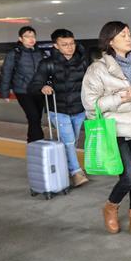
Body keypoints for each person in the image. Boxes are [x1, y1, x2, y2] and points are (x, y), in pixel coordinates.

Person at [81, 21, 131, 236]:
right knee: (130, 177)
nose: (128, 37)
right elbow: (91, 105)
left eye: (129, 33)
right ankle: (110, 206)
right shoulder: (97, 69)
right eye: (122, 34)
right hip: (116, 129)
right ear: (110, 41)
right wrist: (120, 97)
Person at [32, 28, 89, 187]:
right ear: (56, 46)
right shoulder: (47, 64)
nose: (70, 47)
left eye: (72, 43)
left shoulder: (83, 61)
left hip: (79, 109)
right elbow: (35, 84)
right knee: (69, 141)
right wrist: (42, 87)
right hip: (58, 110)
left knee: (73, 140)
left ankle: (64, 166)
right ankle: (76, 172)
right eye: (64, 44)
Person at [0, 26, 46, 142]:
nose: (31, 39)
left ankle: (32, 142)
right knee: (33, 116)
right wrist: (5, 93)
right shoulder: (14, 54)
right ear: (20, 38)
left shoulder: (40, 53)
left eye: (33, 36)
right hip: (23, 90)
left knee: (37, 118)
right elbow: (7, 72)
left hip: (38, 90)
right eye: (27, 36)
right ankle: (37, 141)